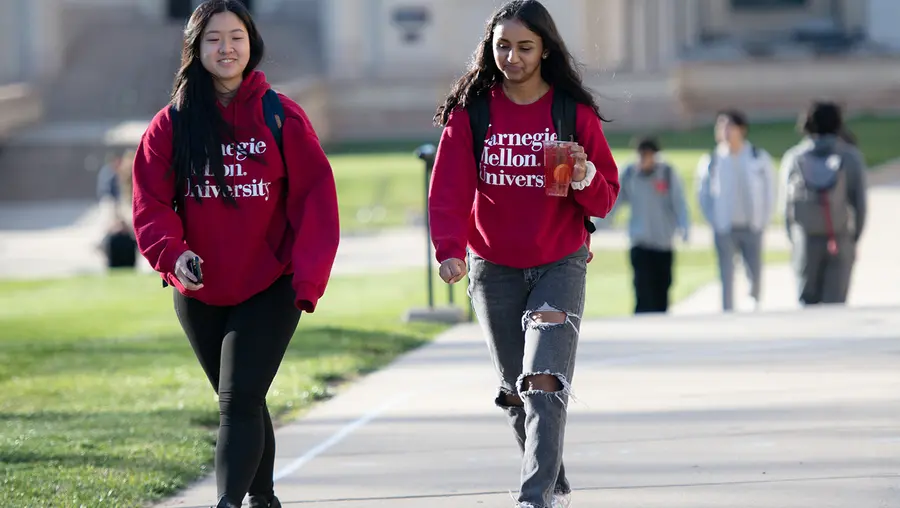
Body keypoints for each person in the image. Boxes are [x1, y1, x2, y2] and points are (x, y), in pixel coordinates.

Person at [130, 2, 340, 507]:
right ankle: (263, 497)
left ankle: (227, 502)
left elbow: (317, 199)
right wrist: (173, 255)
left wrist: (307, 280)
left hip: (272, 282)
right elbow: (150, 203)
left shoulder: (281, 115)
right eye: (213, 39)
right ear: (195, 49)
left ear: (251, 44)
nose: (226, 48)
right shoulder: (171, 123)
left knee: (238, 398)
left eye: (236, 37)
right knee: (244, 397)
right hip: (199, 287)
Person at [428, 1, 620, 506]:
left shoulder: (570, 114)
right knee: (516, 392)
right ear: (489, 50)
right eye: (503, 46)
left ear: (545, 49)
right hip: (493, 270)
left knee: (543, 382)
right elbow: (447, 189)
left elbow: (604, 198)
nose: (512, 56)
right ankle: (554, 484)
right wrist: (449, 249)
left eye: (524, 47)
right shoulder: (475, 114)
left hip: (560, 262)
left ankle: (533, 497)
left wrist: (582, 174)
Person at [780, 101, 867, 305]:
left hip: (806, 238)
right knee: (835, 305)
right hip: (839, 237)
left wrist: (794, 238)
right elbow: (860, 204)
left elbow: (785, 207)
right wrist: (853, 238)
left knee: (807, 304)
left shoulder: (795, 158)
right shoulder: (850, 157)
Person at [696, 109, 776, 312]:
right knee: (726, 273)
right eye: (720, 126)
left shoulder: (758, 157)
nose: (724, 131)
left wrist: (764, 218)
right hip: (724, 227)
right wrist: (713, 220)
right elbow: (703, 194)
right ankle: (727, 311)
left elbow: (769, 191)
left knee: (754, 271)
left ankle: (754, 304)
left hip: (752, 225)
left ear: (741, 130)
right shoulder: (712, 160)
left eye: (729, 126)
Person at [609, 137, 689, 314]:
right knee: (642, 288)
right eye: (640, 155)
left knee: (662, 287)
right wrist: (601, 223)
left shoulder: (667, 173)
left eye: (647, 155)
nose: (643, 160)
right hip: (640, 240)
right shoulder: (630, 173)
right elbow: (616, 200)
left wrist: (684, 227)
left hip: (663, 241)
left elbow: (679, 202)